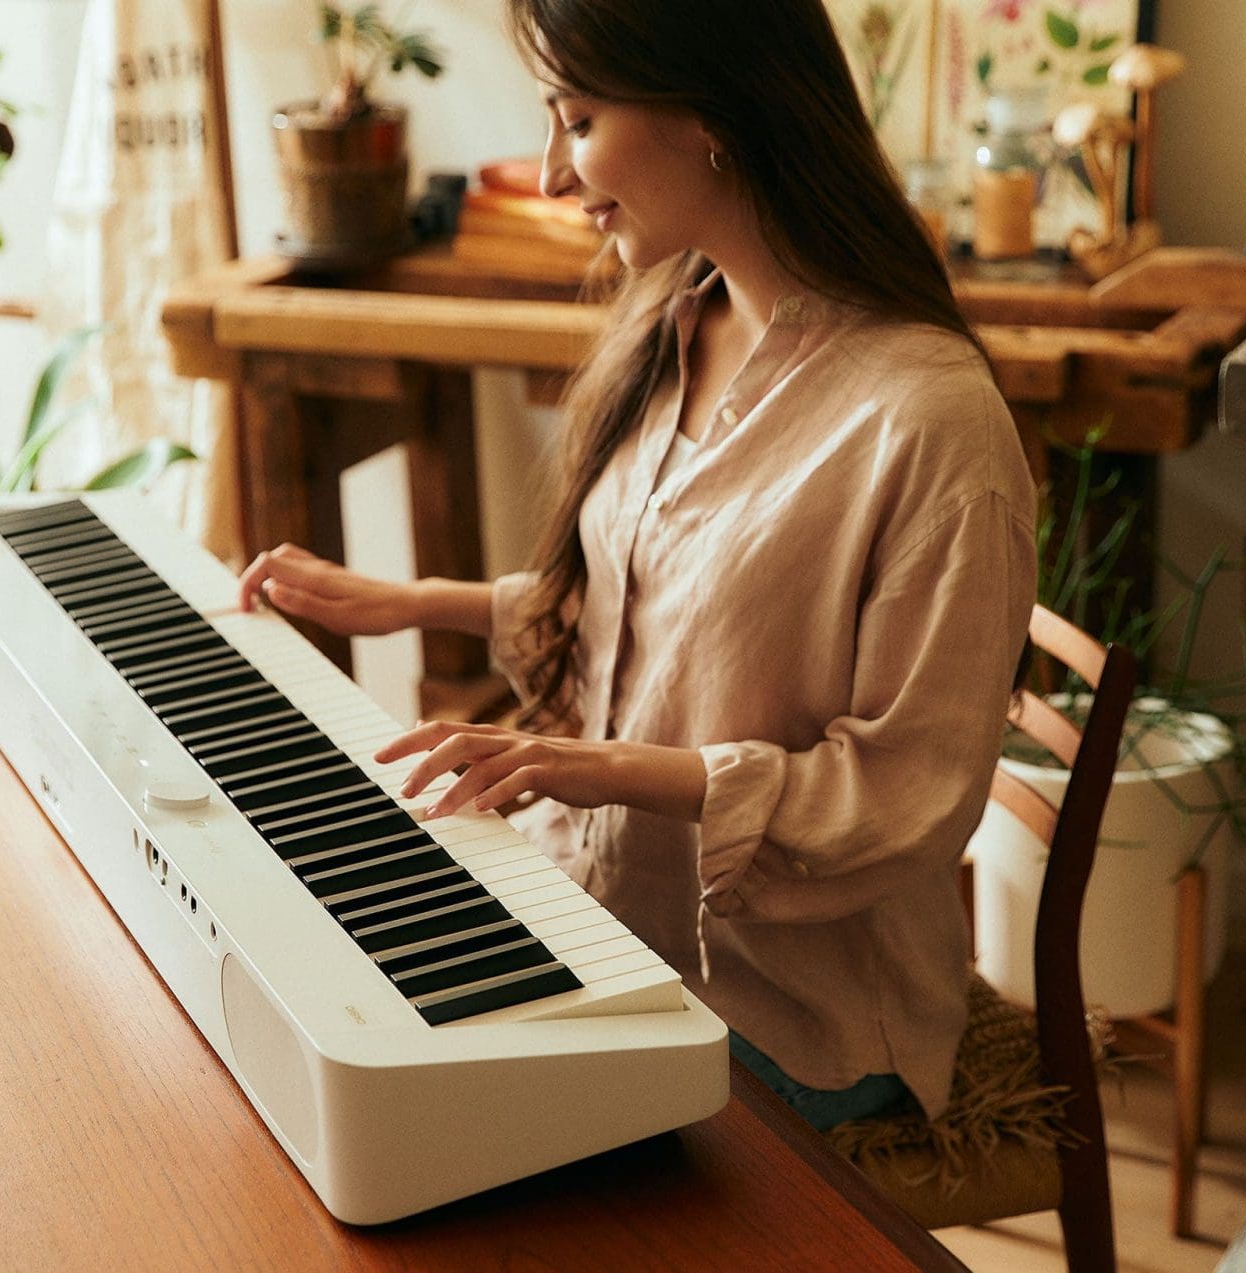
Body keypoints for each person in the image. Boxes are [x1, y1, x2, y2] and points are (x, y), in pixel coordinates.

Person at [236, 0, 1035, 1132]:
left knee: (426, 1130)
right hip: (594, 904)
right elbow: (667, 614)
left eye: (578, 121)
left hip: (793, 1002)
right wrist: (417, 604)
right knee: (311, 1012)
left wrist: (600, 769)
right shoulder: (680, 318)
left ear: (710, 114)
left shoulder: (927, 420)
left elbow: (906, 790)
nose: (556, 178)